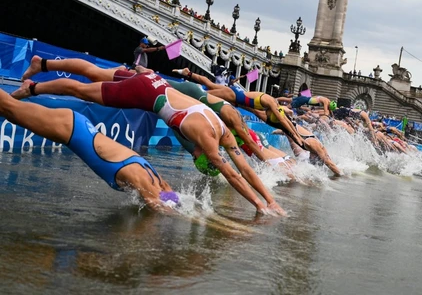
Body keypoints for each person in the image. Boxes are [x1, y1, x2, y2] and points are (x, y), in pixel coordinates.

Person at [13, 56, 286, 216]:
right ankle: (33, 88)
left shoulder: (223, 132)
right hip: (145, 92)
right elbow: (235, 175)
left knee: (94, 73)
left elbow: (245, 170)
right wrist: (259, 208)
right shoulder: (205, 143)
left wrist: (271, 201)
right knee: (81, 91)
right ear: (204, 156)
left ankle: (44, 62)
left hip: (155, 81)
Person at [0, 88, 177, 210]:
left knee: (13, 113)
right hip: (71, 129)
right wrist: (197, 223)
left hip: (76, 129)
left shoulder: (159, 180)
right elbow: (157, 207)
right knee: (10, 107)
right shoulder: (144, 181)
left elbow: (173, 197)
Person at [177, 67, 307, 150]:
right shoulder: (272, 103)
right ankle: (184, 82)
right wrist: (298, 136)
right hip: (235, 95)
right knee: (203, 93)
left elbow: (287, 123)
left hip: (238, 100)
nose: (268, 116)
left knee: (209, 86)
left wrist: (297, 136)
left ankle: (188, 74)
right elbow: (283, 120)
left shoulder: (266, 108)